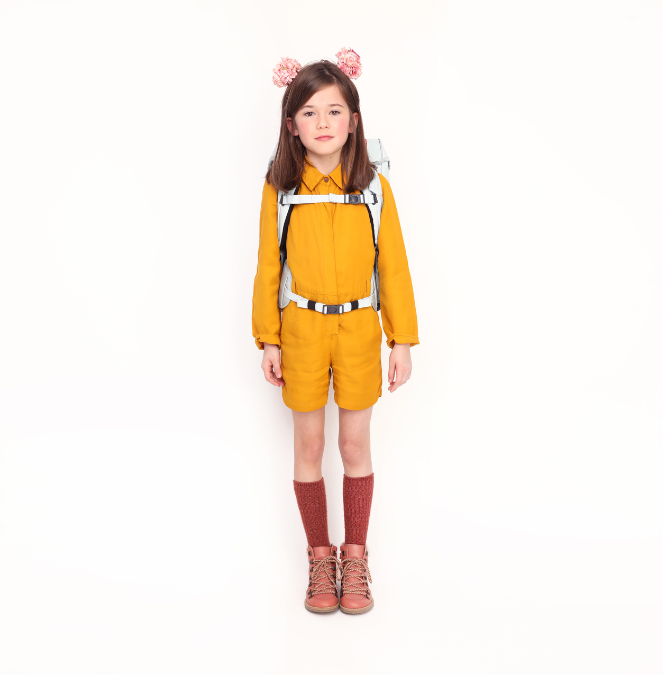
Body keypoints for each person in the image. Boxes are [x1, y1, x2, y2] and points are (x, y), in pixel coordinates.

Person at [251, 49, 420, 614]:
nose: (322, 123)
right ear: (291, 125)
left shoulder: (374, 188)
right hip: (301, 330)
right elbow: (268, 267)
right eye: (309, 112)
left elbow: (393, 265)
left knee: (353, 445)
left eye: (334, 111)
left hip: (358, 331)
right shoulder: (280, 189)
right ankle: (320, 558)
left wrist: (401, 339)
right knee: (309, 445)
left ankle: (356, 557)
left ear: (353, 119)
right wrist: (269, 338)